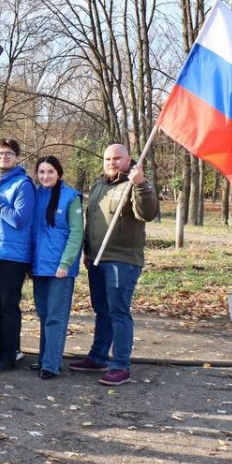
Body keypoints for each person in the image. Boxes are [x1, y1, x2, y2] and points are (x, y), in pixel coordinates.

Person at [70, 143, 159, 385]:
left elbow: (147, 213)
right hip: (97, 259)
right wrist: (87, 251)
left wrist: (140, 184)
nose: (112, 162)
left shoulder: (135, 184)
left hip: (122, 260)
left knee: (118, 311)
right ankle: (98, 356)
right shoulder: (99, 185)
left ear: (128, 159)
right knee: (102, 309)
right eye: (108, 158)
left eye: (117, 158)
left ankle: (120, 365)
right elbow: (92, 220)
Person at [0, 138, 35, 372]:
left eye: (9, 153)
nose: (4, 157)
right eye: (0, 153)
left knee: (7, 306)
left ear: (17, 157)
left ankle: (9, 354)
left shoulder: (23, 184)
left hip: (12, 255)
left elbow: (19, 220)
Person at [31, 155, 84, 380]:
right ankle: (44, 357)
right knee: (43, 315)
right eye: (41, 172)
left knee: (55, 316)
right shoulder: (35, 194)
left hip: (59, 268)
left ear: (59, 173)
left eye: (50, 172)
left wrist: (66, 262)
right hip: (38, 265)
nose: (45, 176)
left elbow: (76, 233)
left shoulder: (70, 197)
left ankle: (52, 364)